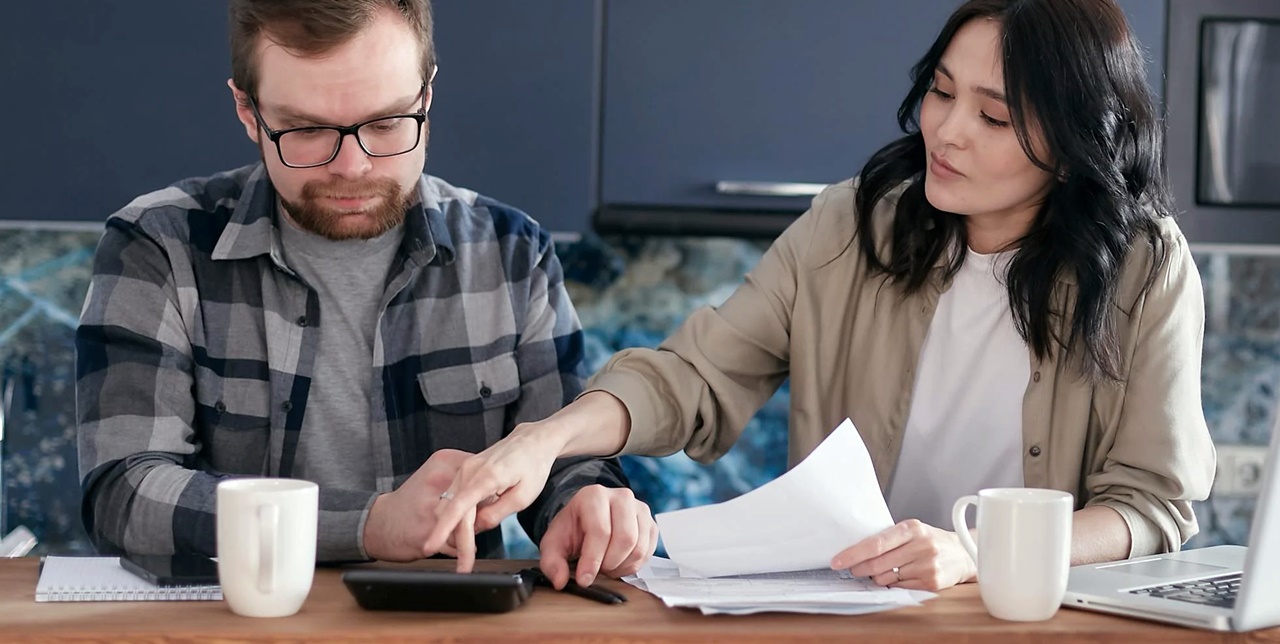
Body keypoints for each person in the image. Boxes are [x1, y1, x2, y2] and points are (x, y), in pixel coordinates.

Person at [424, 0, 1217, 591]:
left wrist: (980, 552)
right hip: (853, 614)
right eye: (942, 92)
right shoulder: (851, 223)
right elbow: (694, 379)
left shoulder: (1145, 270)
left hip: (1023, 622)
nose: (946, 131)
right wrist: (545, 441)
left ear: (1077, 148)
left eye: (995, 116)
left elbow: (1151, 506)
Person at [75, 0, 657, 588]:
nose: (352, 166)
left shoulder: (511, 252)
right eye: (306, 130)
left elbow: (560, 458)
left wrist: (585, 505)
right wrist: (369, 525)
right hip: (240, 625)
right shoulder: (159, 245)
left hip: (451, 627)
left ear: (426, 99)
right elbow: (124, 492)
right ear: (248, 112)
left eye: (385, 125)